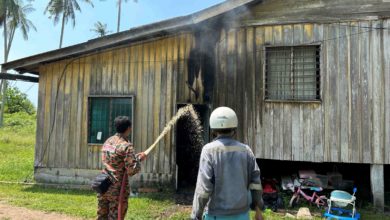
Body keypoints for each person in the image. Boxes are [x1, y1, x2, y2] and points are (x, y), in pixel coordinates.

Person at [191, 107, 263, 220]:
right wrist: (258, 209)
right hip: (242, 214)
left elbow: (203, 189)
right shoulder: (246, 151)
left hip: (216, 214)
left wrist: (196, 215)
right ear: (234, 128)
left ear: (213, 129)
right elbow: (256, 184)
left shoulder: (208, 151)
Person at [97, 116, 146, 220]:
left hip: (103, 183)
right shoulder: (126, 146)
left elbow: (113, 159)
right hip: (117, 188)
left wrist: (134, 157)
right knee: (115, 217)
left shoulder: (108, 141)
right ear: (128, 128)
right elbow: (131, 170)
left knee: (102, 216)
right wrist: (138, 160)